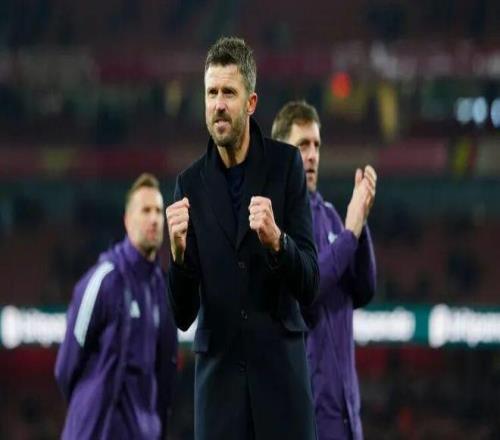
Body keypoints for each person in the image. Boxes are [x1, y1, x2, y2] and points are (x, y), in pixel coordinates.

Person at [166, 37, 319, 440]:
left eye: (228, 93)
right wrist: (178, 257)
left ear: (251, 103)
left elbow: (310, 283)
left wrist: (278, 242)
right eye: (211, 93)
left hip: (281, 391)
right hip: (220, 399)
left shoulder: (286, 166)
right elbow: (183, 315)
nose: (218, 104)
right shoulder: (189, 185)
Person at [272, 100, 377, 440]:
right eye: (302, 145)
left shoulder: (330, 215)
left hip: (347, 414)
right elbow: (308, 289)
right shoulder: (274, 224)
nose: (313, 155)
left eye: (316, 145)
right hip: (308, 417)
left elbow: (364, 289)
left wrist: (360, 221)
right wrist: (350, 233)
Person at [55, 173, 178, 439]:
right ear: (127, 220)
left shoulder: (162, 290)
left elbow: (164, 374)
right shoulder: (104, 280)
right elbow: (66, 367)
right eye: (145, 210)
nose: (154, 219)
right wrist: (89, 410)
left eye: (159, 211)